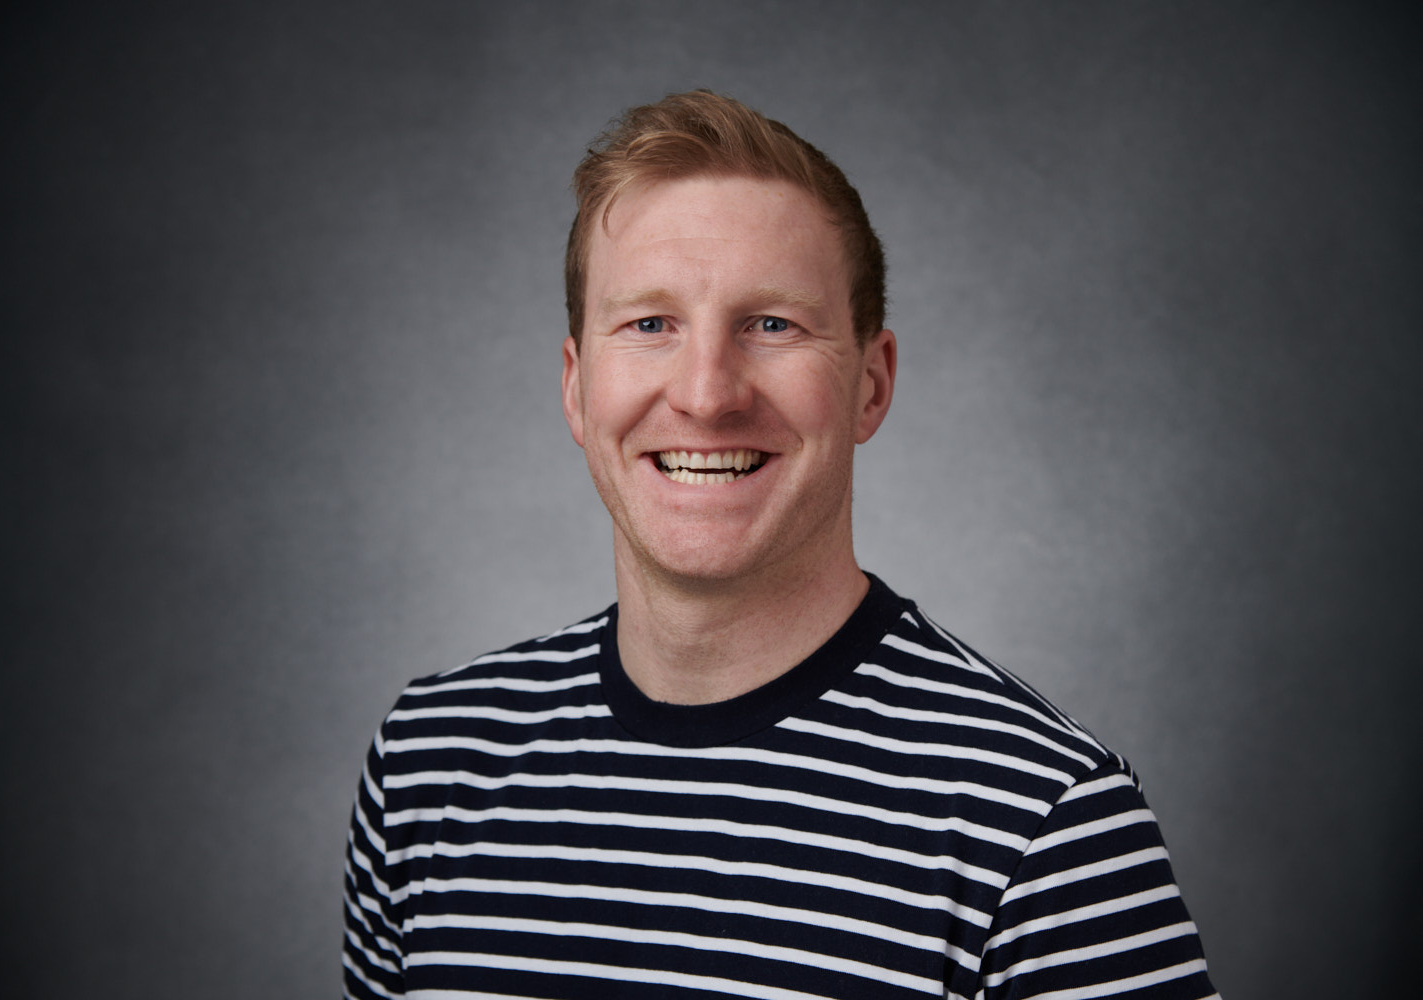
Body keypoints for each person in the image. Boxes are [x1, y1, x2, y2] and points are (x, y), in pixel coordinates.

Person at [343, 91, 1219, 999]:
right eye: (649, 324)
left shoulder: (1046, 824)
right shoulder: (427, 766)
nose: (706, 394)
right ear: (576, 387)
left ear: (871, 385)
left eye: (772, 325)